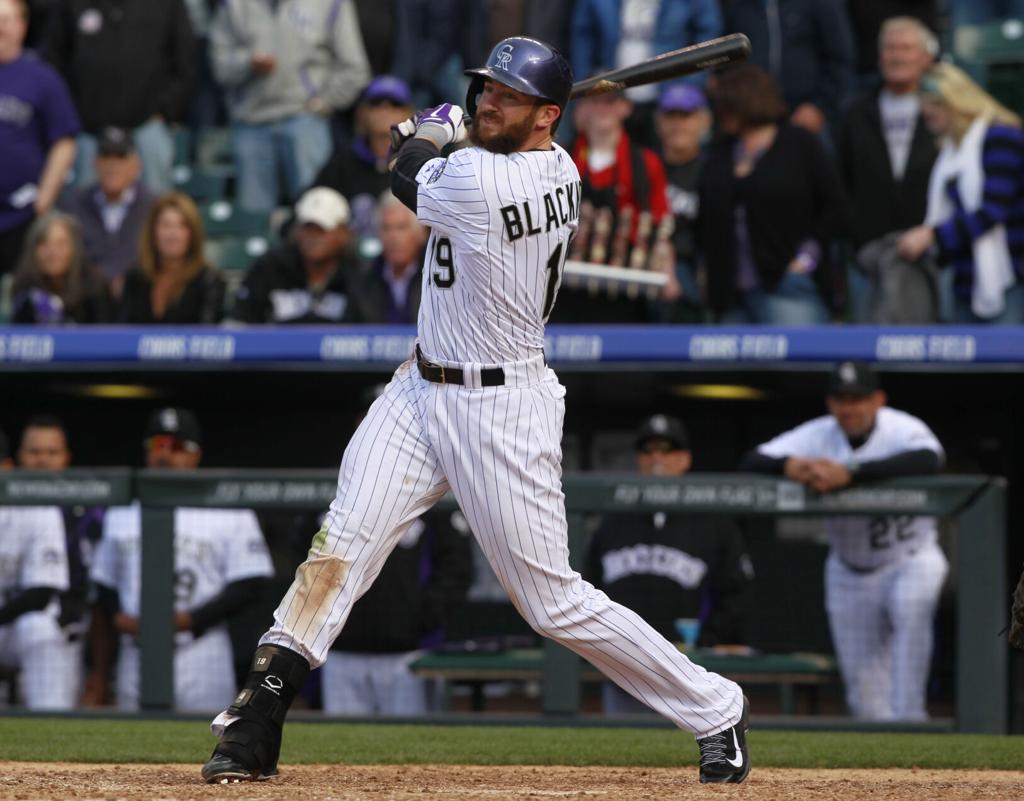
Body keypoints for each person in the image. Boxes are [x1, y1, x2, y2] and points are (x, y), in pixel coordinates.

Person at [202, 36, 750, 786]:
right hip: (420, 388)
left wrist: (424, 133)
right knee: (342, 544)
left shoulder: (497, 183)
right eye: (485, 90)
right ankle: (255, 718)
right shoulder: (551, 160)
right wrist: (445, 131)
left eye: (507, 96)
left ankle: (715, 704)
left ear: (547, 116)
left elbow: (405, 173)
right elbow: (448, 153)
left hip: (502, 408)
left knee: (551, 602)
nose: (489, 101)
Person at [739, 361, 947, 721]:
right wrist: (790, 466)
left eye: (858, 398)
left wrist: (851, 472)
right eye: (841, 399)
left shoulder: (901, 427)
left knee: (911, 610)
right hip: (850, 568)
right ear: (829, 403)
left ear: (877, 399)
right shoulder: (819, 434)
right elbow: (752, 460)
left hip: (910, 558)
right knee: (864, 701)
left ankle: (914, 723)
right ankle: (887, 770)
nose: (848, 408)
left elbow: (930, 458)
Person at [89, 408, 274, 711]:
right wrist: (117, 616)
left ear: (195, 455)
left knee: (206, 743)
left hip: (201, 650)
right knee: (128, 748)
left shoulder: (228, 507)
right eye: (158, 445)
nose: (165, 455)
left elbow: (250, 584)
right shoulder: (121, 511)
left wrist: (193, 620)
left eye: (176, 447)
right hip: (136, 648)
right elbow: (104, 583)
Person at [587, 414, 754, 716]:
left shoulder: (713, 523)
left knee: (687, 753)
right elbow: (589, 585)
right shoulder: (613, 522)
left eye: (667, 450)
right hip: (625, 664)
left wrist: (708, 638)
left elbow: (737, 591)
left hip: (690, 669)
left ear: (686, 459)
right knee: (622, 750)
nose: (657, 459)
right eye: (648, 451)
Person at [697, 64, 846, 324]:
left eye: (728, 105)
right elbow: (706, 214)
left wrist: (807, 257)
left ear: (747, 102)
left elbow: (835, 205)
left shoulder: (800, 143)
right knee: (728, 364)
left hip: (788, 284)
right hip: (730, 293)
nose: (722, 113)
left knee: (796, 362)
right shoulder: (720, 151)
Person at [209, 0, 372, 215]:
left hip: (305, 119)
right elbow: (219, 65)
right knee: (253, 220)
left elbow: (355, 69)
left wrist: (323, 103)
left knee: (314, 212)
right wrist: (247, 62)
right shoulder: (233, 4)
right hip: (251, 121)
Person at [896, 63, 1024, 324]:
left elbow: (992, 211)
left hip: (1010, 279)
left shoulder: (1002, 137)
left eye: (935, 103)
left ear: (956, 100)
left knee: (1004, 364)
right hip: (964, 281)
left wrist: (931, 236)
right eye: (924, 104)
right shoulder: (950, 152)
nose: (926, 111)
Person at [837, 17, 939, 322]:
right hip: (868, 256)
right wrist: (855, 235)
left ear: (926, 58)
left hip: (933, 253)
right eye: (890, 48)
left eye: (906, 48)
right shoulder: (855, 112)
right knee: (870, 348)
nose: (896, 56)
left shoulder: (945, 109)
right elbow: (840, 179)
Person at [555, 85, 680, 323]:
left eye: (610, 101)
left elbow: (661, 225)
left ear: (625, 108)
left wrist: (669, 274)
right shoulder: (558, 159)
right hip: (564, 285)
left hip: (626, 287)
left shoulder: (646, 163)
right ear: (581, 109)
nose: (602, 109)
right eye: (594, 101)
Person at [42, 0, 195, 194]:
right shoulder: (71, 4)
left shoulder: (167, 4)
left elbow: (186, 60)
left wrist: (165, 111)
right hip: (88, 130)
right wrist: (70, 114)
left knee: (156, 207)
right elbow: (52, 61)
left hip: (147, 126)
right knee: (82, 211)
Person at [16, 414, 105, 707]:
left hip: (64, 634)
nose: (43, 461)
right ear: (20, 456)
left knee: (53, 712)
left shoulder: (89, 511)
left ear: (66, 458)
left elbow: (103, 590)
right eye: (34, 452)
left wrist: (99, 670)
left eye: (51, 453)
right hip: (8, 625)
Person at [569, 0, 722, 147]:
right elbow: (583, 37)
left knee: (668, 161)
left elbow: (708, 34)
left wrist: (688, 88)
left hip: (668, 98)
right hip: (613, 98)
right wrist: (584, 94)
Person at [0, 0, 79, 276]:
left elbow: (64, 141)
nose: (0, 28)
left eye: (7, 20)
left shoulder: (42, 78)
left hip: (22, 211)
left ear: (22, 26)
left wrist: (44, 198)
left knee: (23, 296)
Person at [230, 187, 365, 324]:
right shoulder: (269, 269)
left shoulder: (360, 275)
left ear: (343, 233)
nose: (313, 238)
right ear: (296, 231)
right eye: (307, 228)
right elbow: (243, 322)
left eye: (321, 230)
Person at [725, 0, 855, 136]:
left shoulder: (819, 3)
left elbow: (839, 58)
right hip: (753, 119)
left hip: (805, 115)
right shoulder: (739, 6)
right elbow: (729, 62)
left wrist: (821, 107)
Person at [313, 76, 415, 242]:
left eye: (395, 104)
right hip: (354, 257)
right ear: (363, 113)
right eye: (376, 104)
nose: (385, 109)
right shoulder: (345, 161)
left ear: (408, 113)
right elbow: (315, 197)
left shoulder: (421, 161)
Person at [60, 127, 156, 292]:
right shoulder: (72, 205)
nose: (112, 165)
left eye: (121, 157)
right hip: (86, 300)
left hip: (140, 299)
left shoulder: (154, 207)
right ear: (95, 163)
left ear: (136, 166)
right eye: (106, 157)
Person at [117, 193, 225, 324]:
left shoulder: (208, 281)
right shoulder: (135, 279)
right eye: (166, 225)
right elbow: (123, 332)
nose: (173, 234)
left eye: (182, 226)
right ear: (153, 232)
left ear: (193, 234)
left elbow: (207, 337)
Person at [654, 84, 712, 321]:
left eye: (686, 116)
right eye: (671, 116)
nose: (678, 124)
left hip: (695, 271)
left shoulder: (714, 169)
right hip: (647, 267)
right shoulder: (645, 165)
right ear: (659, 122)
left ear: (704, 121)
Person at [10, 211, 112, 323]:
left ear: (76, 249)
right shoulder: (24, 291)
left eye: (61, 244)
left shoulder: (95, 288)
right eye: (44, 243)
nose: (52, 252)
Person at [354, 192, 426, 325]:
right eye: (386, 228)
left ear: (420, 233)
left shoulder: (436, 277)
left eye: (401, 227)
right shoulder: (363, 279)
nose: (393, 238)